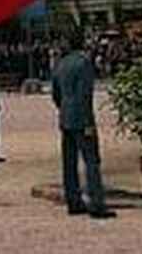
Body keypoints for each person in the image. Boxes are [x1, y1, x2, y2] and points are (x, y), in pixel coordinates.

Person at [51, 32, 113, 219]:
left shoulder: (60, 64)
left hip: (65, 117)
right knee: (91, 161)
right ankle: (97, 204)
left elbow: (56, 94)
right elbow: (85, 94)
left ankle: (74, 201)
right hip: (81, 117)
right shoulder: (84, 63)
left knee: (69, 163)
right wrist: (87, 121)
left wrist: (64, 108)